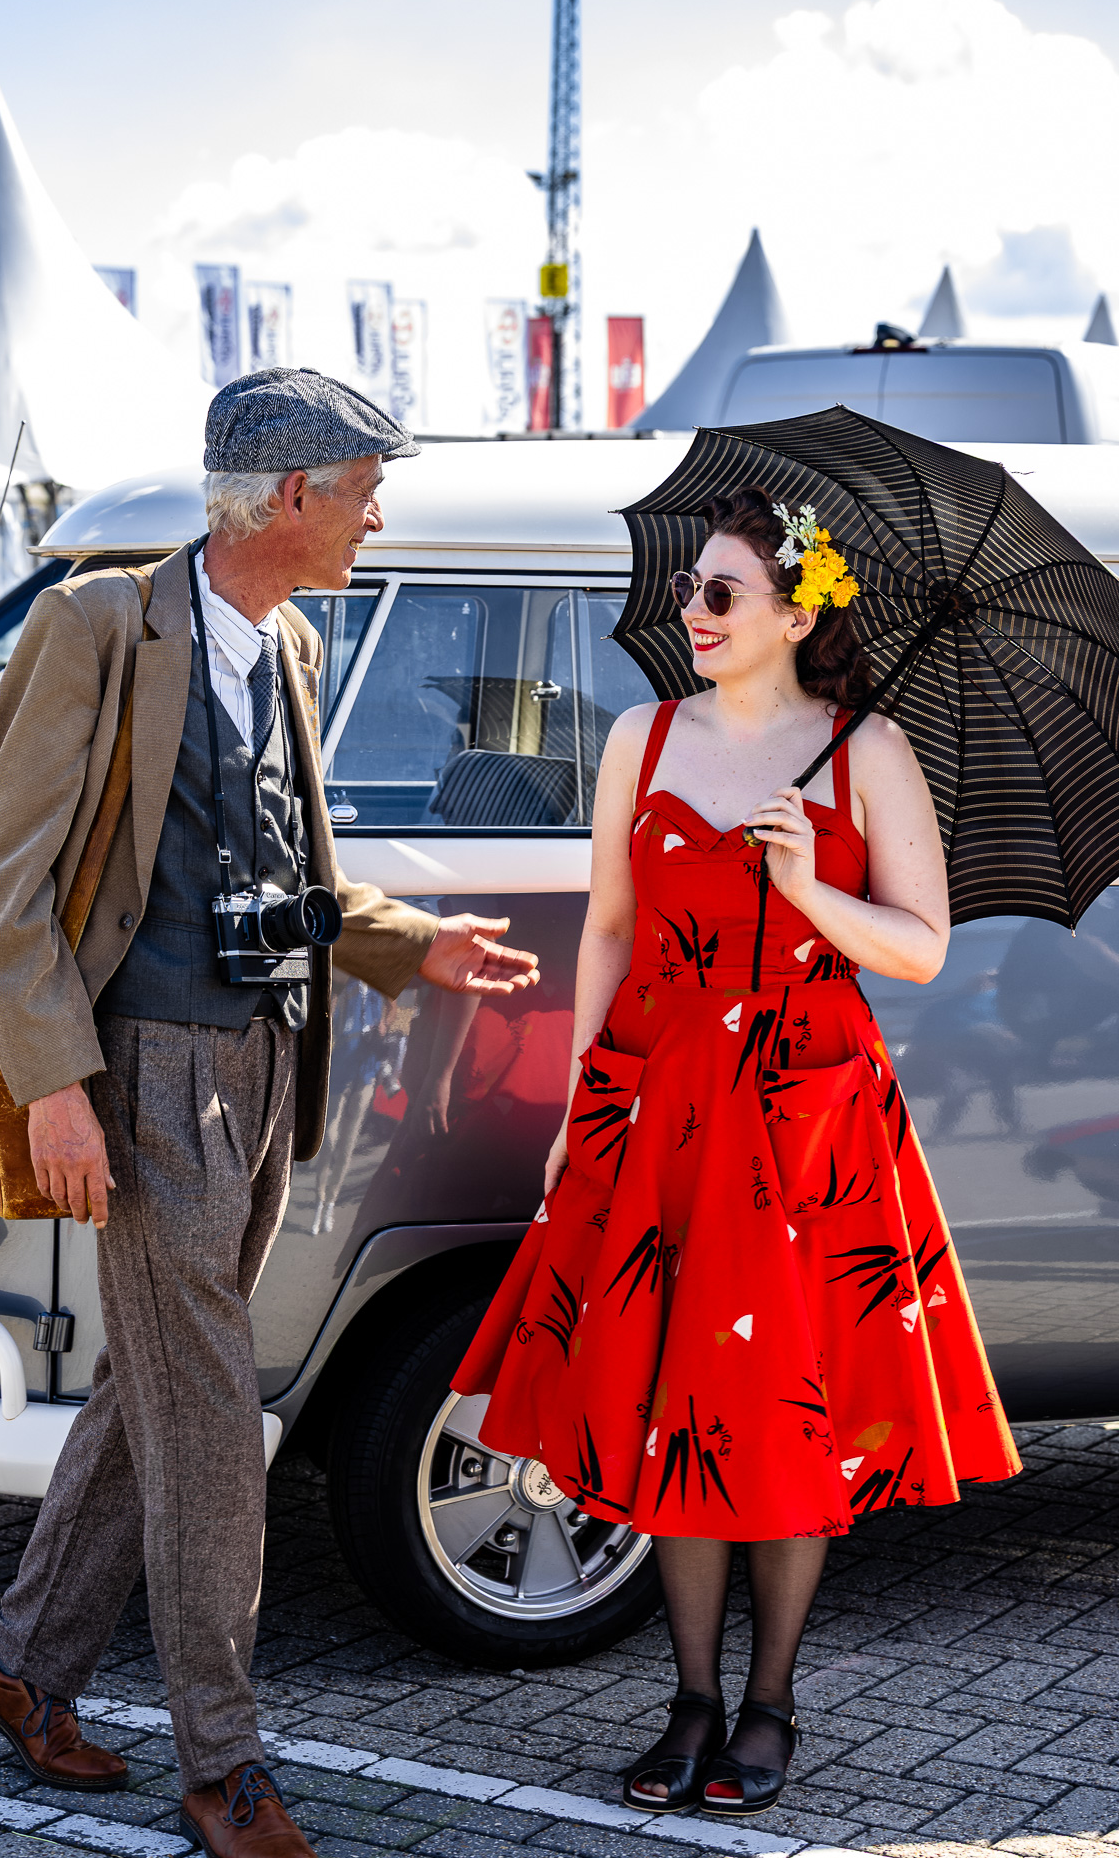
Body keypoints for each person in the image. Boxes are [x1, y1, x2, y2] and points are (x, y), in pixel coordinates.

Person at [0, 368, 538, 1858]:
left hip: (270, 1068)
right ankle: (223, 1763)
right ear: (290, 496)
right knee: (216, 1412)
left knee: (155, 1386)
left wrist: (411, 943)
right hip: (144, 1071)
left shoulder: (286, 643)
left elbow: (292, 871)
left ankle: (18, 1668)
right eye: (364, 492)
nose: (374, 518)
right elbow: (8, 890)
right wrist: (58, 1089)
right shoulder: (100, 625)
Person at [452, 485, 1019, 1820]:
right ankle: (691, 1699)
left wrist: (808, 888)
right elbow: (607, 927)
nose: (693, 613)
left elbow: (923, 947)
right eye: (688, 589)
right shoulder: (641, 738)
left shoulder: (868, 749)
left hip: (808, 1121)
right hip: (658, 1105)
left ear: (798, 613)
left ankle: (769, 1703)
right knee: (673, 1405)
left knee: (775, 1412)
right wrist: (581, 1109)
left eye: (721, 594)